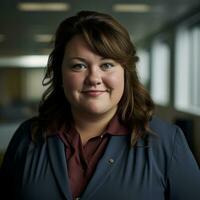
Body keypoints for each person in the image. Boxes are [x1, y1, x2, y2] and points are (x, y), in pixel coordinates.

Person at [0, 10, 200, 200]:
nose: (94, 78)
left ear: (125, 73)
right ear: (60, 74)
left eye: (107, 65)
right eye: (79, 66)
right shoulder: (28, 137)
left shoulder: (166, 142)